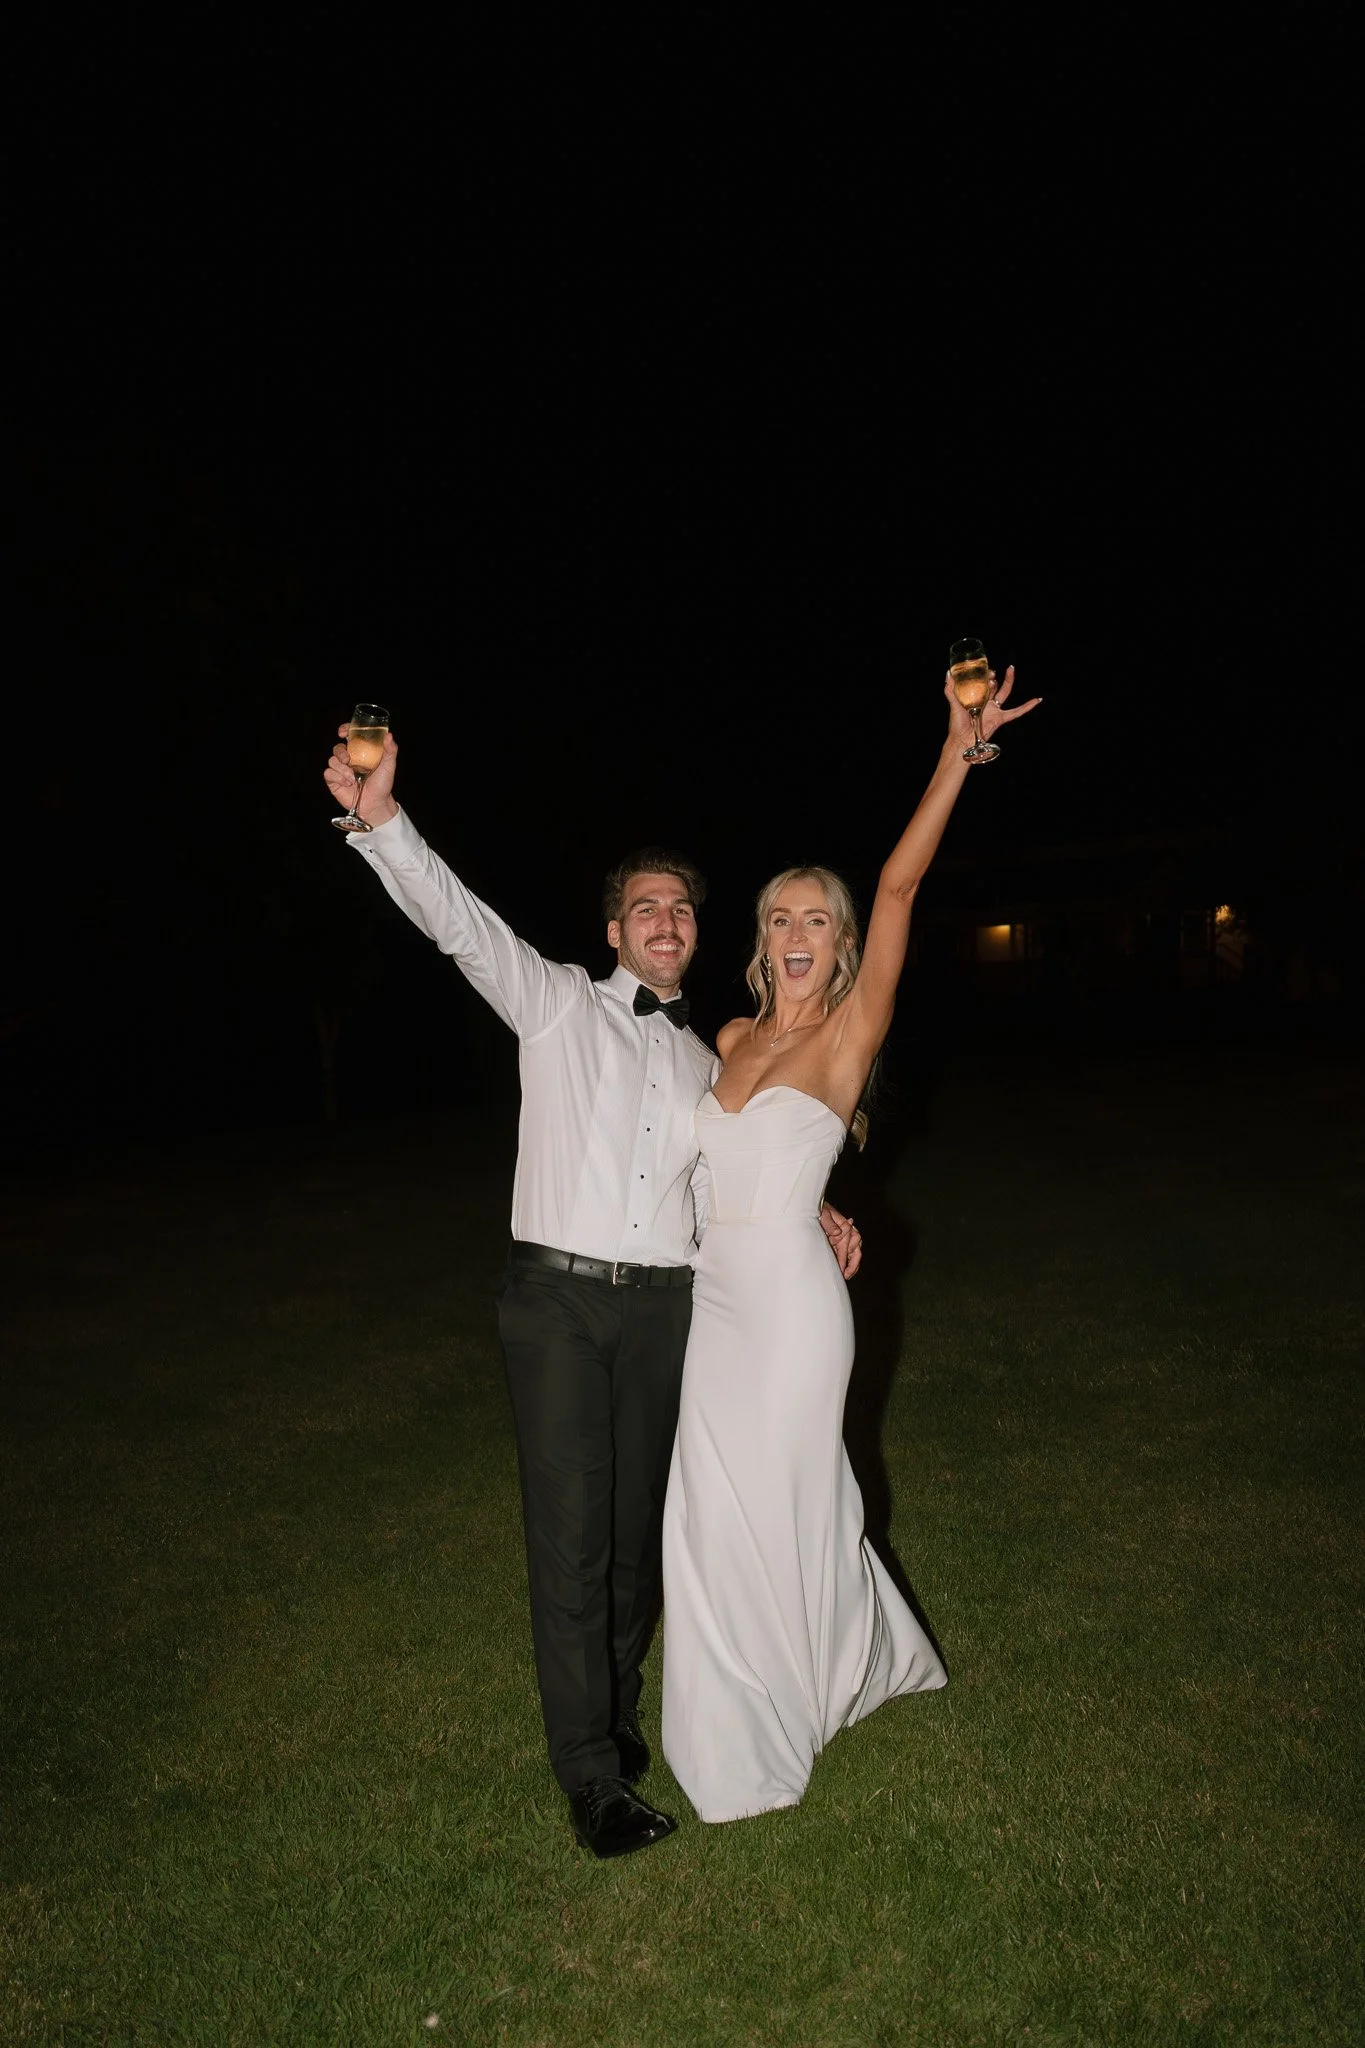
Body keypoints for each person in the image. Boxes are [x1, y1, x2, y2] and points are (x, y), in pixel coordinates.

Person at [322, 726, 860, 1859]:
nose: (667, 921)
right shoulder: (557, 1003)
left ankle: (613, 1715)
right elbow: (457, 918)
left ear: (695, 935)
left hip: (669, 1308)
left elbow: (747, 1160)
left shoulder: (709, 1056)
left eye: (683, 909)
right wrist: (383, 823)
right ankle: (592, 1774)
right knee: (571, 1537)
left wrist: (816, 1207)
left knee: (633, 1542)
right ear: (615, 931)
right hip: (558, 1306)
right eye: (646, 907)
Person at [661, 663, 1041, 1822]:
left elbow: (899, 882)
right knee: (709, 1503)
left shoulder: (846, 1034)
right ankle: (767, 1683)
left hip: (792, 1303)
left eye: (815, 920)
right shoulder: (722, 1033)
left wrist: (954, 753)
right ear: (759, 938)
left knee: (790, 1490)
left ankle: (810, 1679)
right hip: (711, 1301)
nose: (794, 932)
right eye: (779, 916)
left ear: (838, 948)